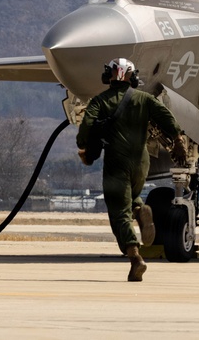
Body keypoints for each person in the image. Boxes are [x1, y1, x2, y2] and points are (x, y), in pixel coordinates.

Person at [77, 57, 188, 282]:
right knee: (129, 198)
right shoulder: (144, 99)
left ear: (109, 75)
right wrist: (177, 139)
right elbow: (166, 116)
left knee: (119, 213)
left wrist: (84, 146)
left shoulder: (100, 101)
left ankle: (135, 257)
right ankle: (139, 209)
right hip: (141, 163)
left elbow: (87, 126)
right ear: (132, 77)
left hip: (117, 163)